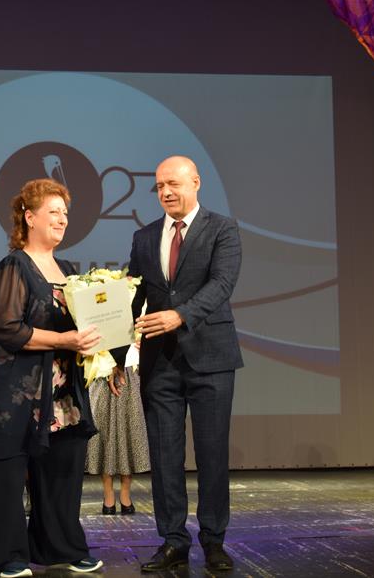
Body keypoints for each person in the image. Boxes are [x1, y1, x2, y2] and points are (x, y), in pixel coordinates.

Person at [0, 178, 105, 578]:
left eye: (65, 213)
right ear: (29, 217)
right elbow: (7, 327)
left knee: (62, 470)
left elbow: (82, 325)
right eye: (53, 211)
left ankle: (60, 547)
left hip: (60, 393)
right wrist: (64, 339)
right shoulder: (15, 266)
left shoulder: (69, 270)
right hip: (11, 393)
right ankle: (6, 556)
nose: (62, 219)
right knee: (5, 477)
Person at [110, 155, 243, 572]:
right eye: (160, 186)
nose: (166, 192)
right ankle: (173, 541)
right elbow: (133, 297)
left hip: (211, 357)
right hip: (159, 362)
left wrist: (179, 315)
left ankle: (214, 541)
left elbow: (222, 284)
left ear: (196, 182)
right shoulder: (144, 237)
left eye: (174, 184)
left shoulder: (222, 229)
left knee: (212, 454)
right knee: (165, 457)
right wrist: (116, 357)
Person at [85, 361, 150, 515]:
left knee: (128, 430)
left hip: (127, 370)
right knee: (103, 431)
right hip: (102, 369)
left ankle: (125, 492)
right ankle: (108, 493)